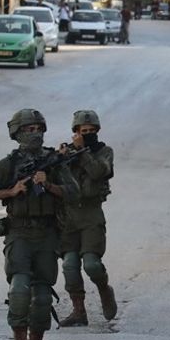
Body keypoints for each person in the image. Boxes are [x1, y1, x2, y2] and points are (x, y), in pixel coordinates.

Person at [0, 109, 80, 340]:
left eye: (38, 129)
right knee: (20, 290)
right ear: (17, 133)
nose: (35, 134)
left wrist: (50, 185)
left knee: (42, 295)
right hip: (19, 233)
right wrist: (11, 191)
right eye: (29, 130)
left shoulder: (54, 162)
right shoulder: (9, 164)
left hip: (46, 234)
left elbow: (74, 193)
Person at [57, 110, 118, 328]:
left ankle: (104, 289)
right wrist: (61, 158)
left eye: (92, 131)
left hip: (91, 214)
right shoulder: (67, 152)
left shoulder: (104, 152)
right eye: (84, 131)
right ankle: (78, 311)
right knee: (70, 265)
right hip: (69, 216)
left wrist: (82, 151)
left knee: (92, 264)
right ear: (76, 132)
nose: (89, 134)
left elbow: (98, 172)